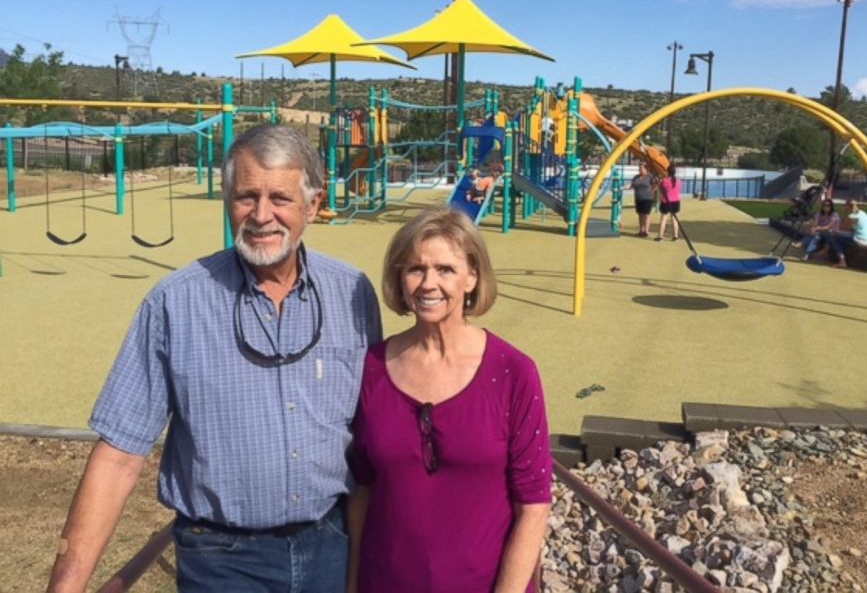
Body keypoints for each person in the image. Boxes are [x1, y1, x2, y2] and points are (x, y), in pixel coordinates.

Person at [47, 124, 383, 593]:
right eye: (246, 196)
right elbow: (119, 456)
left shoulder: (352, 294)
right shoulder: (174, 304)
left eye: (280, 199)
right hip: (222, 561)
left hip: (329, 545)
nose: (261, 215)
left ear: (313, 204)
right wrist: (66, 586)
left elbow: (373, 439)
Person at [348, 207, 552, 593]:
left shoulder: (513, 372)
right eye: (415, 269)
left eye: (445, 269)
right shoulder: (372, 367)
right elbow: (362, 490)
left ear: (472, 277)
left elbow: (534, 506)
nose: (428, 283)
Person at [818, 198, 867, 268]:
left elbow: (841, 228)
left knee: (833, 237)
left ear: (847, 207)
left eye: (847, 206)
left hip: (860, 240)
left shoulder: (853, 216)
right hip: (864, 238)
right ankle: (825, 251)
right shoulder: (863, 213)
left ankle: (842, 261)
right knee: (837, 235)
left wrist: (845, 213)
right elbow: (847, 230)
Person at [628, 162, 657, 237]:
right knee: (640, 215)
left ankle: (646, 231)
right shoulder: (636, 177)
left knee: (646, 215)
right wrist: (622, 188)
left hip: (647, 199)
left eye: (641, 168)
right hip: (638, 198)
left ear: (646, 169)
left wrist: (652, 191)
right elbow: (631, 185)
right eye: (639, 168)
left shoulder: (650, 176)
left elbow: (656, 184)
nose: (640, 170)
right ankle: (641, 230)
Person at [657, 163, 682, 242]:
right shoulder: (678, 181)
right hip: (676, 202)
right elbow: (678, 190)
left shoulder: (665, 181)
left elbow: (661, 190)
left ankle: (660, 236)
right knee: (675, 219)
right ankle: (675, 236)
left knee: (664, 219)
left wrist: (659, 183)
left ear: (668, 172)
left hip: (666, 201)